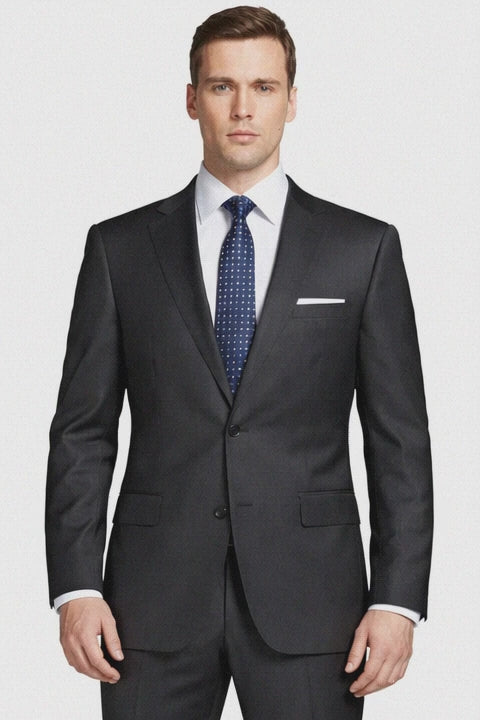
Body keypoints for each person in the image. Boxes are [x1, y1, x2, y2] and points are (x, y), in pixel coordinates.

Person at [45, 6, 433, 719]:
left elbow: (399, 440)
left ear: (292, 100)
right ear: (192, 100)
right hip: (147, 607)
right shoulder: (119, 249)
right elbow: (82, 432)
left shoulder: (363, 248)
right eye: (222, 86)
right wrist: (76, 586)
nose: (243, 108)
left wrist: (398, 599)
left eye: (263, 87)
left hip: (315, 605)